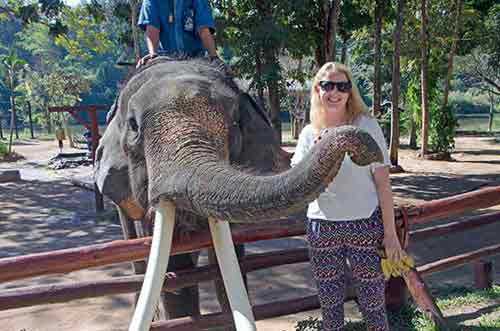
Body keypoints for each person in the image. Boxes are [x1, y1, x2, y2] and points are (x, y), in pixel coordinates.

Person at [291, 62, 404, 331]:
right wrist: (315, 158)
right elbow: (298, 184)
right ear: (317, 90)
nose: (335, 92)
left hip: (364, 224)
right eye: (328, 85)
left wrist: (390, 235)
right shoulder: (309, 133)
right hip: (322, 228)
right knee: (330, 308)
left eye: (342, 86)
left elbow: (383, 183)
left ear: (350, 91)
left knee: (373, 304)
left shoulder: (366, 125)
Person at [137, 0, 218, 67]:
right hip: (165, 60)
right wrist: (153, 54)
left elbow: (204, 30)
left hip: (195, 58)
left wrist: (214, 57)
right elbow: (152, 28)